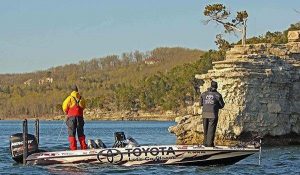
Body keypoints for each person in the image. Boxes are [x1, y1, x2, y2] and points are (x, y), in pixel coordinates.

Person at [62, 85, 87, 150]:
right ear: (77, 90)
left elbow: (64, 107)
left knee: (71, 133)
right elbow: (84, 107)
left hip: (71, 118)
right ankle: (84, 148)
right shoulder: (82, 98)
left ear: (72, 91)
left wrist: (67, 112)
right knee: (81, 133)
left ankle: (73, 149)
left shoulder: (69, 98)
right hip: (80, 118)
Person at [200, 81, 225, 147]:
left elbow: (201, 104)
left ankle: (205, 143)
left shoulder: (203, 94)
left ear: (210, 86)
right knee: (211, 130)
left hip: (204, 114)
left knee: (205, 130)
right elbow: (222, 105)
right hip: (213, 115)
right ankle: (209, 145)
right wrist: (216, 106)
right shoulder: (218, 95)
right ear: (216, 87)